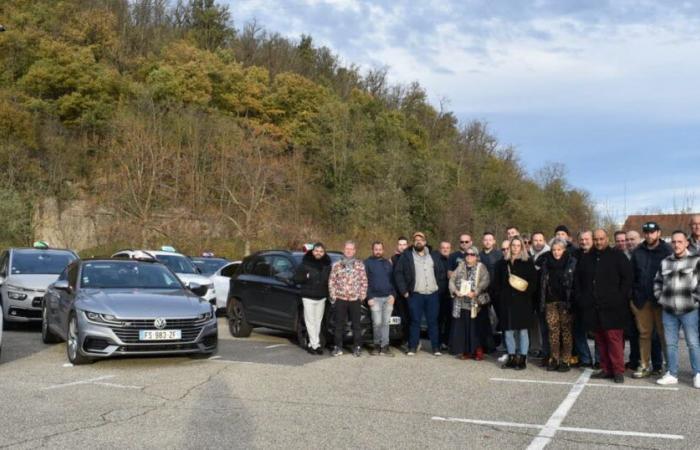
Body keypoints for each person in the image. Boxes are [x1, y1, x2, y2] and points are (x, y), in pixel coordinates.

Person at [575, 229, 632, 383]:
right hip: (593, 307)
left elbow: (627, 279)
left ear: (607, 238)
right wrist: (582, 298)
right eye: (596, 239)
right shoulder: (586, 258)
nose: (599, 242)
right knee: (600, 340)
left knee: (614, 340)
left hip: (614, 307)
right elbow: (578, 280)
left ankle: (618, 370)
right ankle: (606, 369)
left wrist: (620, 298)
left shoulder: (617, 256)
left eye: (601, 239)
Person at [654, 231, 700, 387]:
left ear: (686, 243)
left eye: (680, 241)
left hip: (690, 310)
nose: (676, 244)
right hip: (669, 312)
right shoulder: (665, 262)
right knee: (670, 344)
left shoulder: (696, 261)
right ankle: (672, 373)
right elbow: (657, 282)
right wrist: (661, 299)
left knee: (693, 343)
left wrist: (695, 300)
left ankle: (698, 374)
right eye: (673, 242)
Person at [630, 221, 672, 378]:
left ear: (659, 233)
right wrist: (632, 298)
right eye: (646, 232)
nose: (649, 235)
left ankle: (670, 367)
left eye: (652, 232)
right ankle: (645, 365)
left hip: (661, 300)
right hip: (641, 300)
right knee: (644, 334)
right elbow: (631, 275)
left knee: (664, 334)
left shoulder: (667, 250)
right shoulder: (638, 251)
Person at [394, 231, 447, 356]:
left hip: (432, 294)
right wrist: (404, 292)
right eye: (416, 240)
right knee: (415, 321)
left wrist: (440, 288)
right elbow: (398, 273)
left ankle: (435, 348)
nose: (419, 241)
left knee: (433, 322)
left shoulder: (434, 255)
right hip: (415, 294)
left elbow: (441, 272)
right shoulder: (406, 256)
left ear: (425, 242)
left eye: (421, 239)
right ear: (413, 242)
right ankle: (413, 347)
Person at [494, 236, 537, 370]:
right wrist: (501, 297)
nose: (515, 248)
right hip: (506, 303)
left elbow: (533, 283)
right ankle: (512, 357)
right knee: (508, 332)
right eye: (513, 245)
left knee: (523, 332)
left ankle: (522, 358)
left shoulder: (528, 263)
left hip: (523, 302)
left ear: (522, 247)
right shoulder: (501, 264)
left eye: (518, 245)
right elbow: (496, 284)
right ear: (510, 247)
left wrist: (526, 295)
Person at [539, 239, 577, 372]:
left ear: (564, 250)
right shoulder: (545, 262)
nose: (556, 252)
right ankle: (554, 358)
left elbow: (574, 282)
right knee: (553, 330)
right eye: (554, 250)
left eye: (559, 249)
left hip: (565, 301)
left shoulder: (571, 262)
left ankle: (565, 360)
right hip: (550, 301)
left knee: (566, 330)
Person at [449, 247, 490, 360]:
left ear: (476, 256)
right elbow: (452, 280)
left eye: (472, 254)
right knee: (464, 328)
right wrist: (456, 291)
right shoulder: (460, 266)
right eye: (467, 254)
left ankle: (477, 351)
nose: (469, 256)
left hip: (475, 303)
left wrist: (475, 292)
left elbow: (485, 280)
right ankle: (466, 351)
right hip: (461, 302)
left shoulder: (481, 267)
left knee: (475, 328)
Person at [328, 241, 368, 357]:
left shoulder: (360, 265)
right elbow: (331, 281)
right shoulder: (337, 265)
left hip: (355, 299)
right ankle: (338, 347)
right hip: (340, 298)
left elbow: (364, 281)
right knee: (339, 325)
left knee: (356, 325)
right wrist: (333, 296)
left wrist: (362, 295)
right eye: (347, 249)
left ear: (355, 251)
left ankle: (357, 347)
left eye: (351, 249)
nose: (349, 251)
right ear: (344, 250)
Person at [293, 243, 332, 355]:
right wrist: (305, 276)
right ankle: (315, 345)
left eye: (321, 251)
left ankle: (313, 344)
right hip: (308, 297)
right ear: (312, 251)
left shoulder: (327, 265)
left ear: (324, 253)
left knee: (318, 322)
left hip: (321, 297)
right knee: (310, 321)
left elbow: (329, 281)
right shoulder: (305, 264)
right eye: (316, 251)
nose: (318, 253)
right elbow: (296, 279)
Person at [365, 241, 396, 356]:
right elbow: (365, 281)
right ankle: (376, 345)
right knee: (377, 323)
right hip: (375, 298)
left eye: (380, 249)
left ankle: (385, 347)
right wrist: (369, 297)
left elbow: (393, 280)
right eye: (376, 249)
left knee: (385, 323)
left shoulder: (388, 263)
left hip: (388, 298)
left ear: (383, 250)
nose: (378, 251)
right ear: (372, 250)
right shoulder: (367, 263)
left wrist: (393, 295)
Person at [571, 229, 596, 368]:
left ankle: (599, 360)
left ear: (592, 240)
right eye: (581, 239)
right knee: (578, 331)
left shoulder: (598, 254)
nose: (584, 242)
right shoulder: (574, 255)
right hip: (578, 299)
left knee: (597, 332)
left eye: (587, 239)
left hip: (595, 300)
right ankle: (586, 358)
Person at [480, 232, 504, 351]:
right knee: (484, 318)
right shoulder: (478, 256)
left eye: (490, 239)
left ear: (494, 241)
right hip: (483, 291)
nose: (488, 242)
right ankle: (487, 345)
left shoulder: (500, 255)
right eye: (485, 240)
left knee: (502, 317)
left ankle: (504, 345)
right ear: (482, 241)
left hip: (497, 292)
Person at [530, 231, 551, 363]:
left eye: (540, 240)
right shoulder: (528, 255)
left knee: (546, 326)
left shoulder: (549, 255)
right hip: (533, 296)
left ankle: (547, 352)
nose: (538, 243)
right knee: (534, 325)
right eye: (535, 240)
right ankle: (536, 348)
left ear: (544, 241)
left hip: (546, 297)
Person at [391, 236, 410, 345]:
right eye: (400, 244)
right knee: (398, 317)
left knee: (408, 317)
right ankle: (397, 339)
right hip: (397, 293)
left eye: (404, 244)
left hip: (409, 293)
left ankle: (408, 340)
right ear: (397, 246)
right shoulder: (393, 259)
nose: (402, 247)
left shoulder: (411, 258)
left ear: (407, 245)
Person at [438, 241, 453, 350]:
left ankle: (447, 342)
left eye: (447, 247)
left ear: (450, 249)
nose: (445, 249)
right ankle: (438, 342)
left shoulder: (453, 260)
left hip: (451, 295)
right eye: (443, 247)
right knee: (439, 319)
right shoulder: (436, 260)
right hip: (439, 294)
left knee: (450, 320)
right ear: (440, 249)